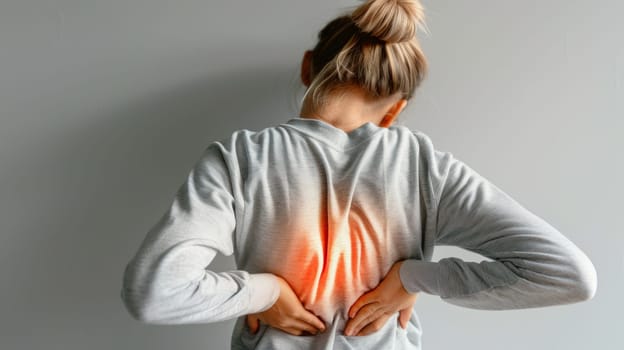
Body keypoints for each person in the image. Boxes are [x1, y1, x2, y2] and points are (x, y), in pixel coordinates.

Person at [119, 0, 598, 349]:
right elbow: (569, 276)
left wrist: (264, 292)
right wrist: (414, 278)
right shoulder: (428, 169)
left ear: (308, 67)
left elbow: (155, 293)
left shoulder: (240, 158)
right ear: (396, 110)